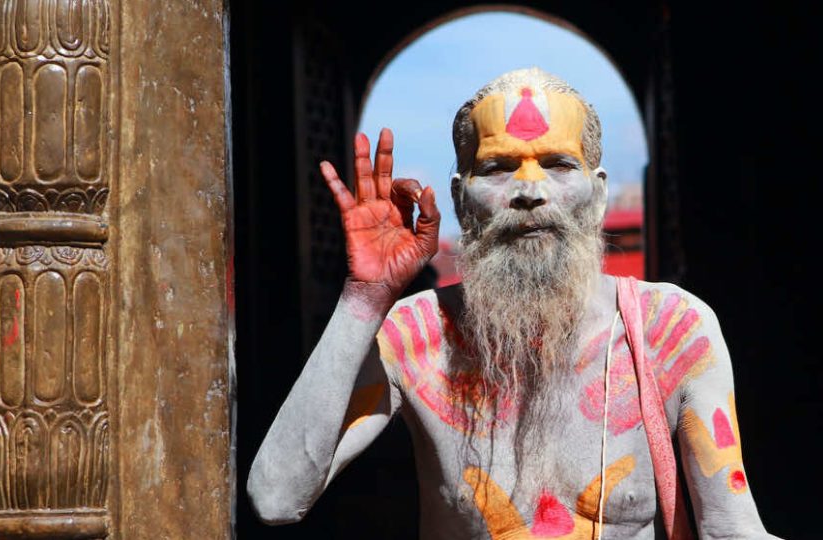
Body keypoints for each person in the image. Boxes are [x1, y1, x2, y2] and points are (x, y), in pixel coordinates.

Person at [247, 67, 779, 539]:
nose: (529, 189)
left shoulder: (674, 331)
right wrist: (364, 298)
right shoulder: (417, 337)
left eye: (557, 164)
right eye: (498, 166)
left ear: (597, 196)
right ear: (459, 198)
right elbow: (275, 499)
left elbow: (731, 530)